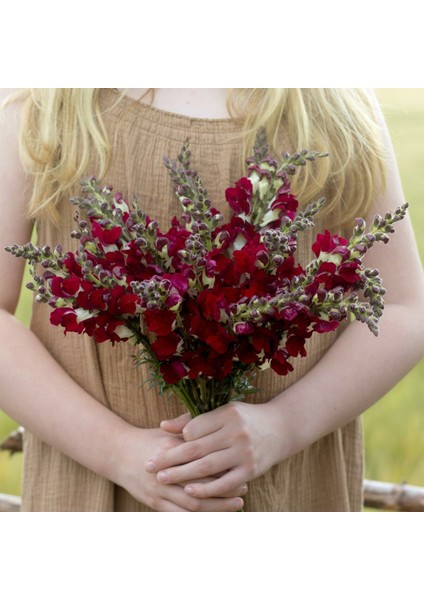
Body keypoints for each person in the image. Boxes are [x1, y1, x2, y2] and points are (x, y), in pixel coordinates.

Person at [0, 88, 423, 512]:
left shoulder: (331, 100)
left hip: (288, 484)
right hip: (92, 482)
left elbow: (404, 308)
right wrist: (116, 450)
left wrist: (284, 425)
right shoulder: (45, 101)